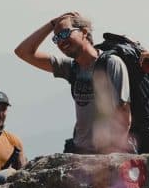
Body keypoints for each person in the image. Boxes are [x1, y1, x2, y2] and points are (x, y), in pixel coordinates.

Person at [14, 13, 132, 154]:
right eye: (56, 38)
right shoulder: (71, 68)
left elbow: (124, 112)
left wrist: (113, 154)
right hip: (80, 151)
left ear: (83, 32)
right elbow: (23, 52)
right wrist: (52, 24)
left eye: (64, 33)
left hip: (106, 153)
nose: (60, 41)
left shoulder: (111, 63)